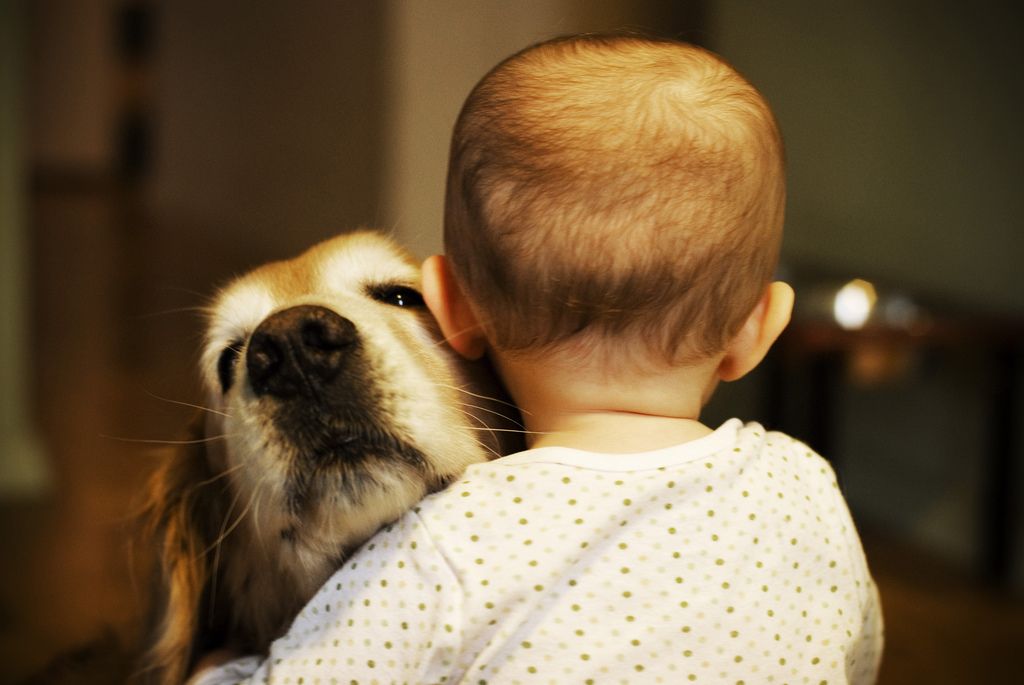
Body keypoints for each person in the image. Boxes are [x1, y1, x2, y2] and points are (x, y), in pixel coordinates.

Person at [193, 33, 883, 685]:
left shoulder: (446, 550)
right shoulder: (808, 484)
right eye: (233, 361)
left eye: (396, 295)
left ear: (466, 321)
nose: (291, 352)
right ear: (755, 329)